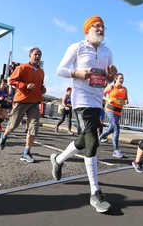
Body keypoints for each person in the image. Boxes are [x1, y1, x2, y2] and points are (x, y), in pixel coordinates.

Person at [49, 16, 117, 213]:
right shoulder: (77, 47)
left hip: (97, 101)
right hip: (80, 100)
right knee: (92, 142)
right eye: (97, 26)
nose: (101, 29)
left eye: (103, 26)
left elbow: (109, 78)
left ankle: (58, 160)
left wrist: (111, 75)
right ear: (88, 29)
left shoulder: (107, 51)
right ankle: (95, 192)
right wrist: (76, 73)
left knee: (82, 140)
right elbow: (60, 70)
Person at [0, 47, 46, 163]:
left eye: (39, 54)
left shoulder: (41, 71)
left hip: (34, 102)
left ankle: (26, 152)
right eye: (35, 54)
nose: (38, 56)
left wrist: (42, 89)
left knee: (34, 128)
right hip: (22, 100)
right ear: (30, 56)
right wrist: (25, 86)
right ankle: (4, 136)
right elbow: (12, 80)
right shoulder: (22, 68)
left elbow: (40, 86)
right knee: (13, 125)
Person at [98, 73, 129, 158]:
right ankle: (116, 150)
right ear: (116, 79)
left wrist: (126, 101)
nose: (122, 80)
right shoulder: (111, 87)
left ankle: (98, 138)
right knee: (116, 128)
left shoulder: (124, 89)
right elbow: (102, 95)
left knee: (111, 129)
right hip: (110, 110)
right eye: (120, 78)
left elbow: (126, 99)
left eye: (123, 78)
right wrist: (108, 99)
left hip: (118, 111)